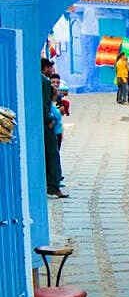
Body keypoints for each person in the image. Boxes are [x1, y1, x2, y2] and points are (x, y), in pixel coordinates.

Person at [40, 58, 64, 198]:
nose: (52, 70)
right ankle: (53, 186)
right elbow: (45, 103)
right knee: (52, 154)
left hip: (45, 122)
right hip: (46, 124)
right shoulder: (44, 81)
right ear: (45, 68)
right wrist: (49, 119)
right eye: (50, 68)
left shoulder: (43, 80)